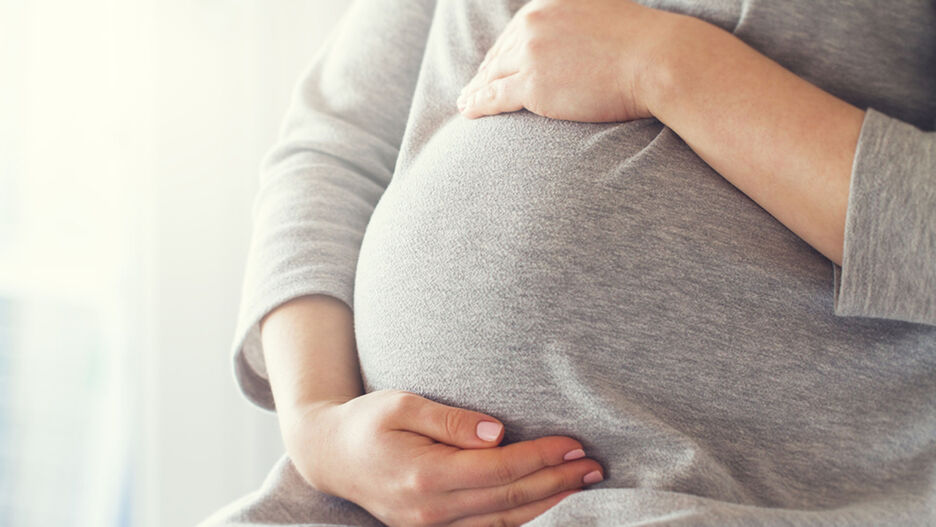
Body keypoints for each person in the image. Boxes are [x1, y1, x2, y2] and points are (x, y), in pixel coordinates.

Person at [199, 0, 936, 525]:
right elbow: (334, 143)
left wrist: (667, 64)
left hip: (728, 496)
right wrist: (318, 425)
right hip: (364, 500)